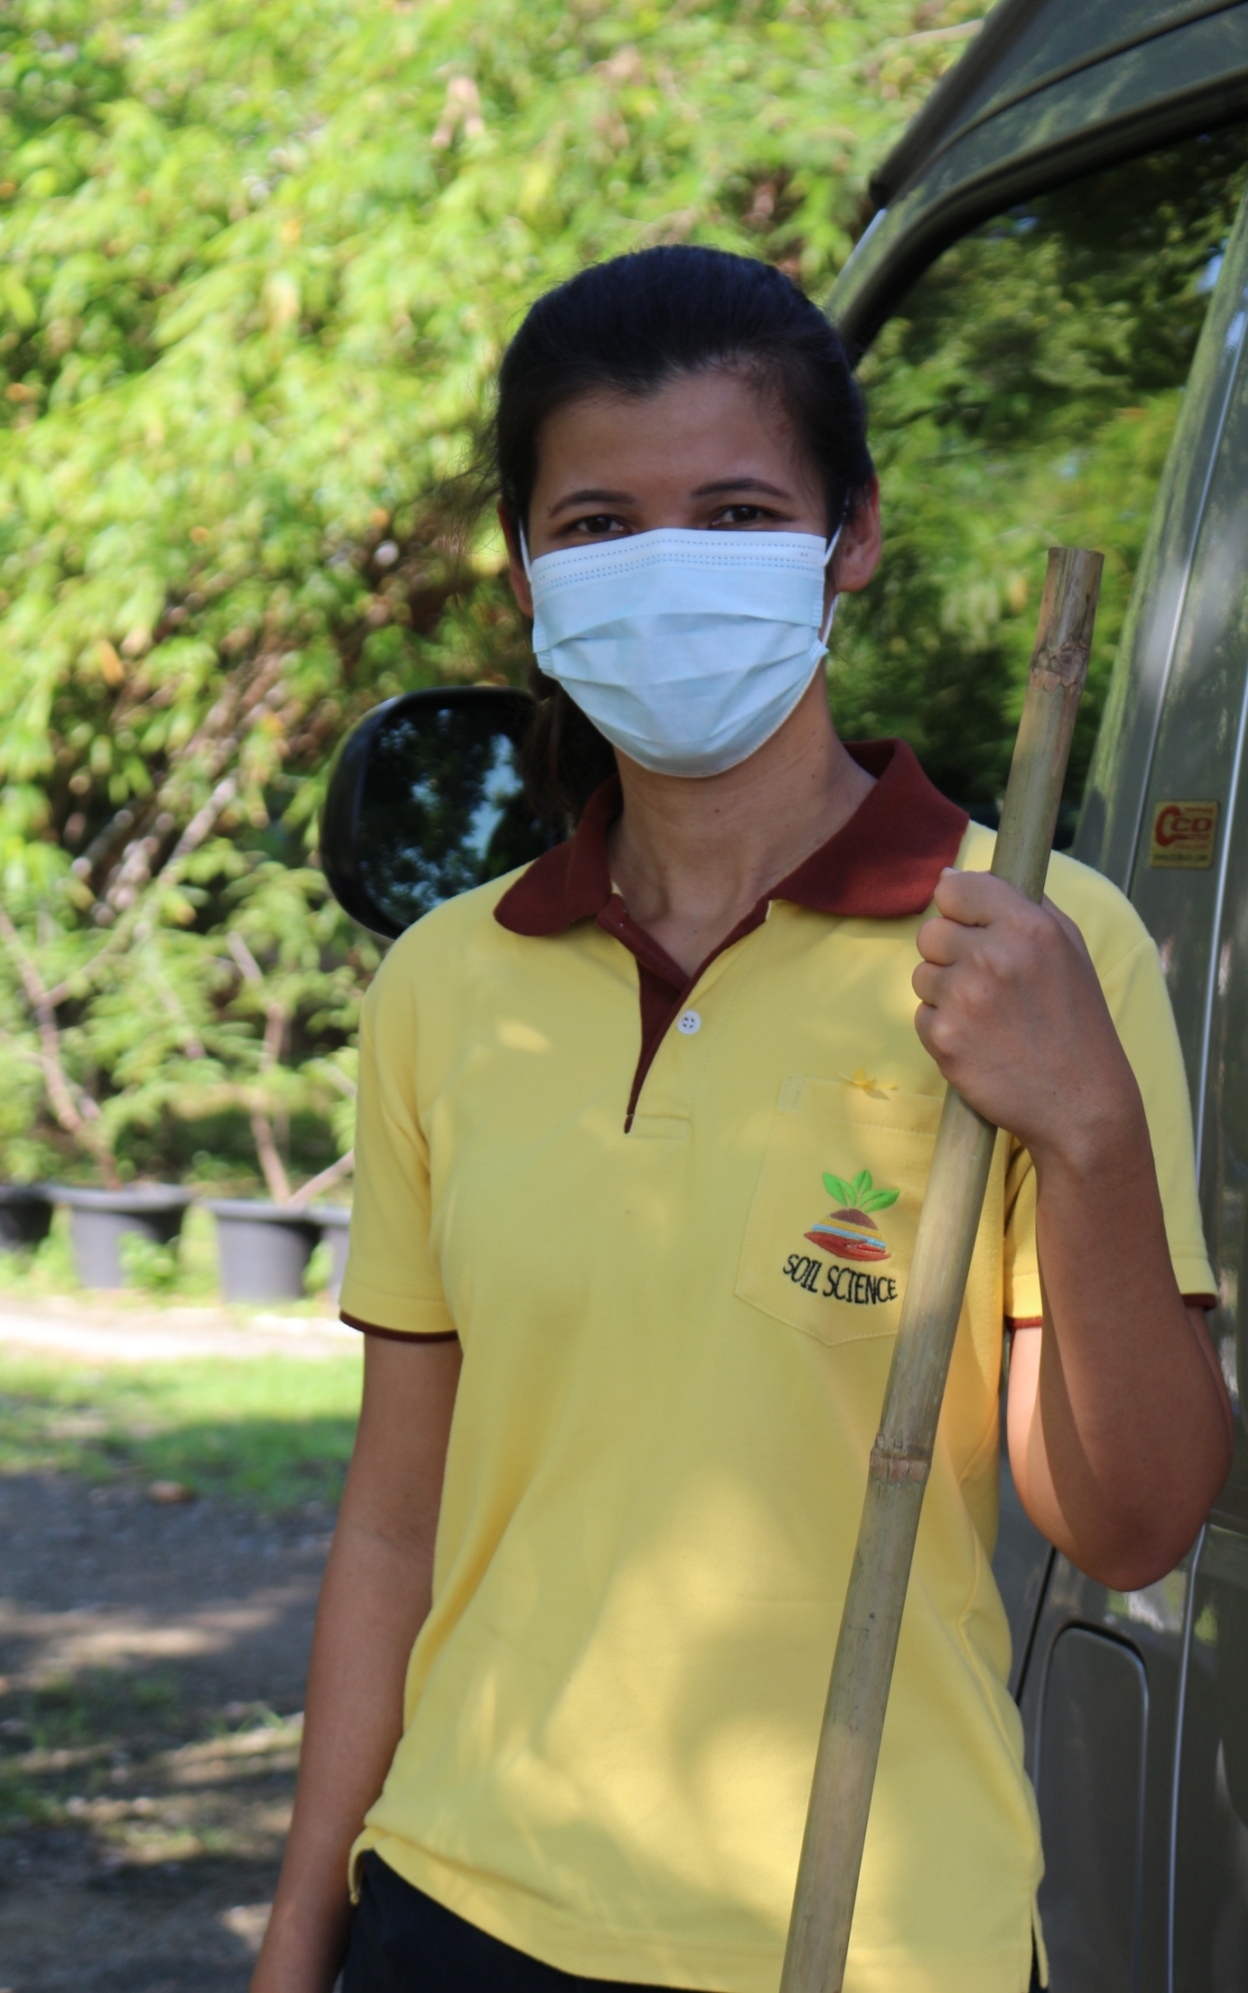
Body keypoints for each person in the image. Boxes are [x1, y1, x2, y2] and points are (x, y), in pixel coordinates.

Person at [250, 246, 1233, 1993]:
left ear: (848, 538)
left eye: (734, 513)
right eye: (599, 524)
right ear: (526, 569)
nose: (665, 569)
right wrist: (297, 1939)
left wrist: (1084, 1127)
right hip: (457, 1912)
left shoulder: (1031, 945)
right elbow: (394, 1528)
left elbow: (1132, 1523)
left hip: (868, 1938)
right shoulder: (449, 984)